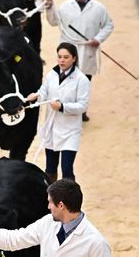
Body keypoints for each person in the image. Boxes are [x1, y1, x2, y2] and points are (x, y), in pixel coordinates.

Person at [45, 0, 114, 121]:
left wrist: (98, 39)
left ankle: (81, 110)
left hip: (87, 48)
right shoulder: (65, 6)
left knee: (84, 81)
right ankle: (63, 107)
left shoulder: (99, 8)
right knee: (65, 79)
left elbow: (108, 25)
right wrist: (50, 8)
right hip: (68, 48)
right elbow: (53, 22)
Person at [26, 44, 91, 181]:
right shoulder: (52, 74)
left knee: (67, 168)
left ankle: (71, 200)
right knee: (50, 168)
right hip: (52, 129)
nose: (62, 60)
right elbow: (44, 90)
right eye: (60, 57)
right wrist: (37, 95)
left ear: (74, 58)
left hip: (70, 131)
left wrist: (62, 107)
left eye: (66, 57)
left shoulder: (82, 79)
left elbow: (82, 106)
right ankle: (51, 199)